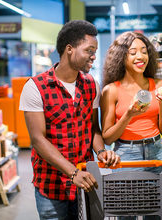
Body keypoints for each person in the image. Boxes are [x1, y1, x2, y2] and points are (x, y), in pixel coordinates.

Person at [19, 20, 120, 220]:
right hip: (52, 184)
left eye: (95, 51)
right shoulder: (35, 87)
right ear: (69, 49)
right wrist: (72, 173)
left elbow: (93, 129)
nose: (93, 56)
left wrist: (101, 152)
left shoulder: (91, 84)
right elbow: (38, 140)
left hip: (86, 180)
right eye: (89, 50)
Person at [100, 31, 162, 220]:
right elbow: (107, 137)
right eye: (132, 52)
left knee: (155, 212)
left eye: (144, 51)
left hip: (156, 152)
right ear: (121, 57)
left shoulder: (158, 84)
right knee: (127, 214)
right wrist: (129, 115)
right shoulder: (111, 90)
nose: (140, 56)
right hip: (126, 155)